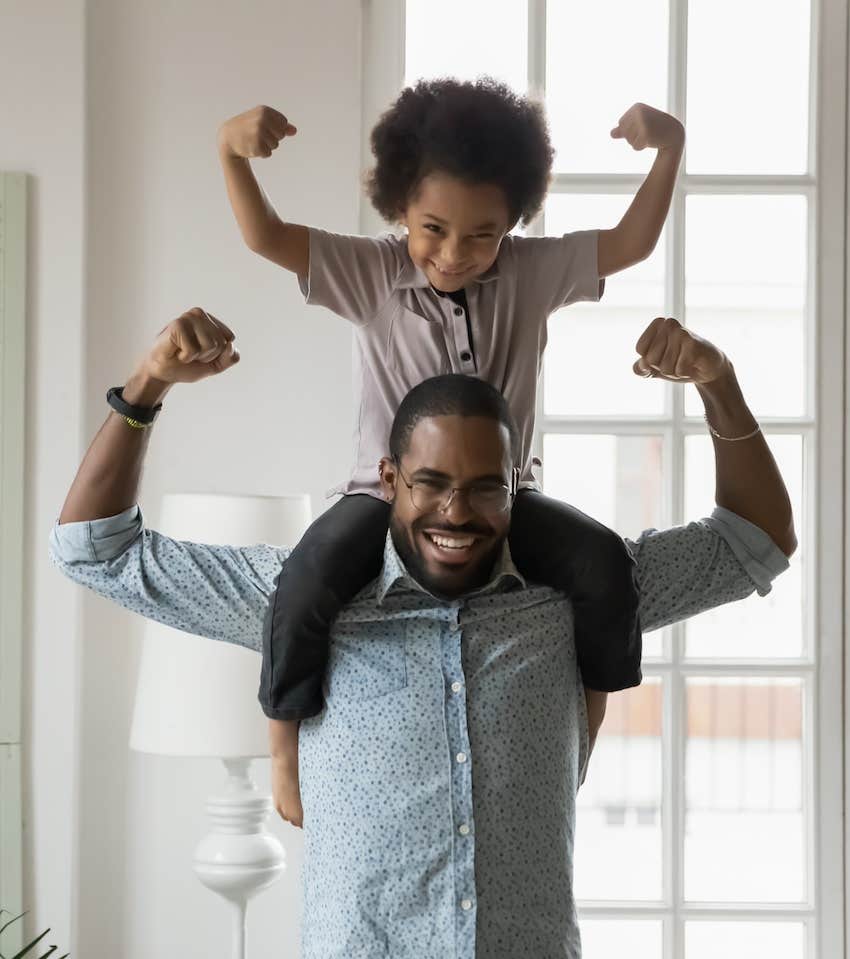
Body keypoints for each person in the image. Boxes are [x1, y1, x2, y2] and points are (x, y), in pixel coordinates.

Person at [50, 308, 795, 959]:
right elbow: (95, 549)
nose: (456, 512)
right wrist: (147, 387)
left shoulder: (575, 597)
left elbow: (756, 540)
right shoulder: (300, 598)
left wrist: (717, 379)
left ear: (516, 486)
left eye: (484, 487)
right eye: (431, 481)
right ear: (389, 477)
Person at [216, 78, 688, 825]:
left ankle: (586, 731)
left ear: (513, 223)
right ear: (399, 205)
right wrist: (231, 155)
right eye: (433, 228)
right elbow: (266, 237)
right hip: (385, 501)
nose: (455, 253)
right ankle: (281, 746)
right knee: (304, 580)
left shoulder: (532, 274)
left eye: (482, 234)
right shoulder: (370, 273)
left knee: (603, 565)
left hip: (508, 500)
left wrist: (669, 151)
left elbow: (630, 243)